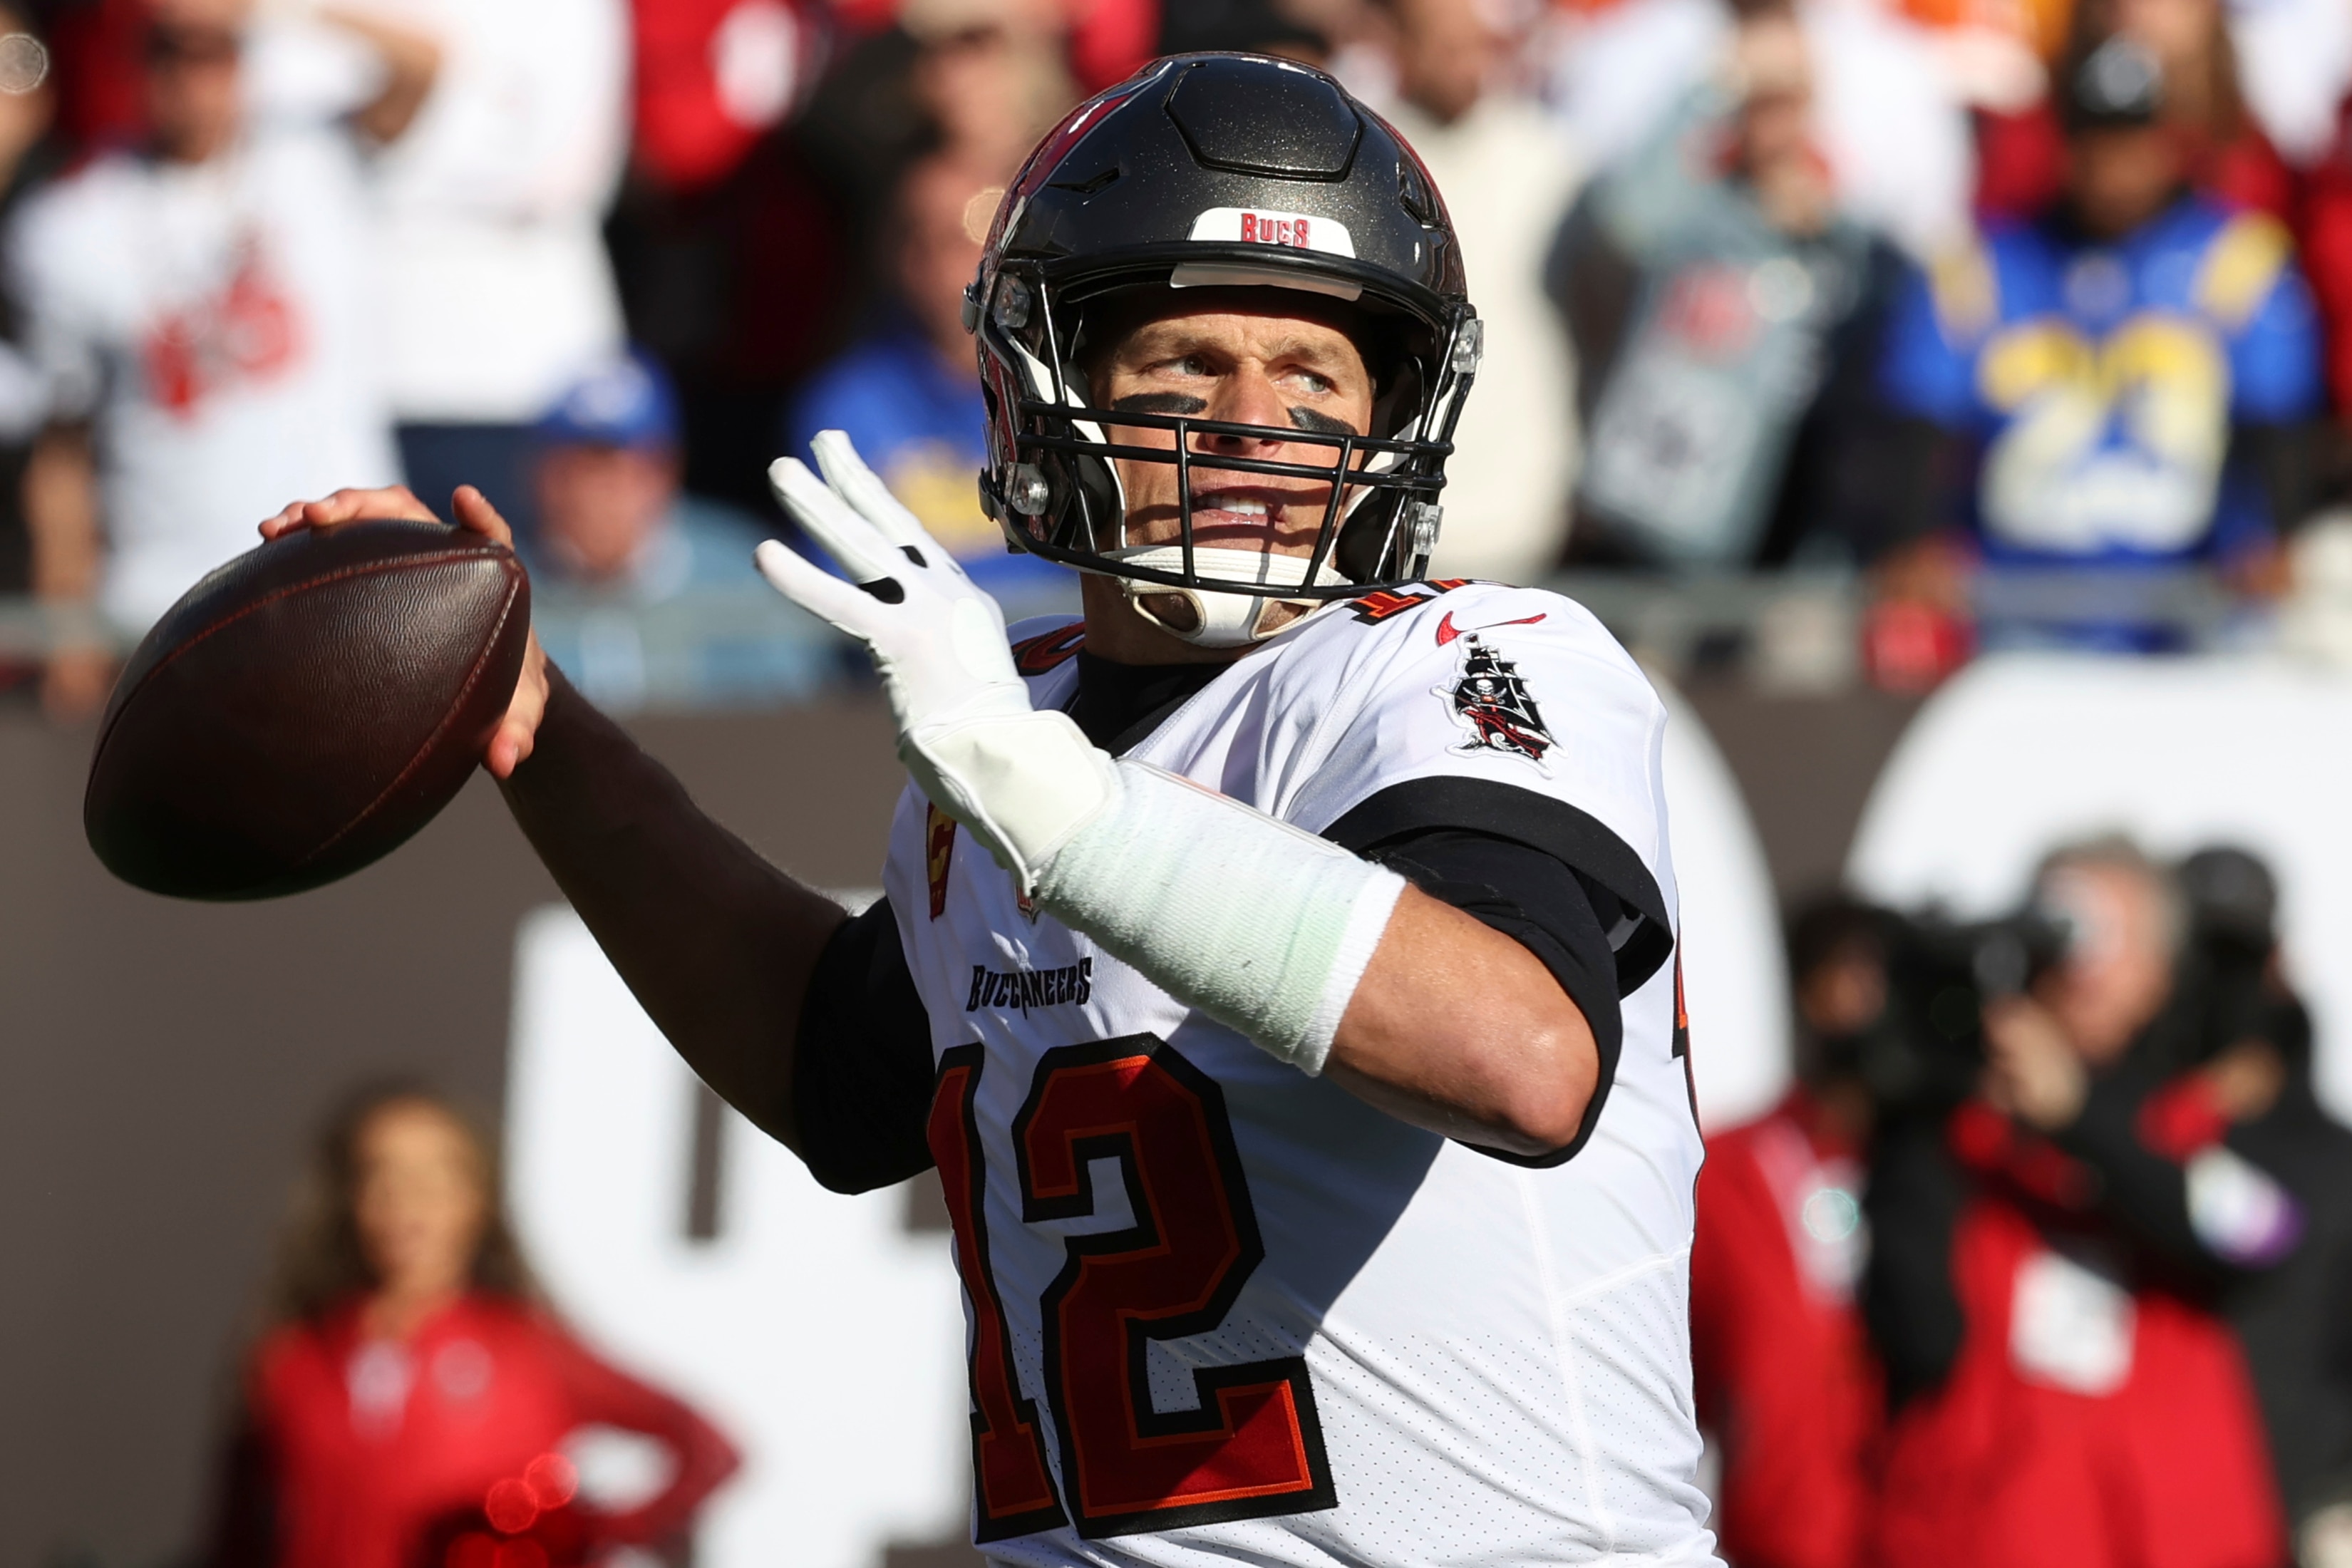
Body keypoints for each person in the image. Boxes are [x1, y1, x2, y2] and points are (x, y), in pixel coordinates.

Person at [263, 52, 1723, 1567]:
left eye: (1312, 374)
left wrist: (1041, 790)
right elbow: (834, 1071)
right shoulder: (1010, 738)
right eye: (1185, 364)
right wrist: (538, 721)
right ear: (1053, 385)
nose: (1251, 422)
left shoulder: (1462, 663)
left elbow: (1524, 1052)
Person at [1865, 839, 2288, 1568]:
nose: (2073, 967)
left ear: (2158, 972)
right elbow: (1914, 1329)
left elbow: (2262, 1236)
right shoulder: (1963, 1142)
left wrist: (2078, 1116)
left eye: (2098, 936)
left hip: (2175, 1538)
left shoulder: (2193, 1123)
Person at [11, 0, 435, 716]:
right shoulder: (70, 225)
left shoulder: (315, 160)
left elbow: (425, 68)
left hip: (342, 583)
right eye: (170, 49)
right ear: (135, 61)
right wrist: (68, 633)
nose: (193, 77)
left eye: (218, 51)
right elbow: (62, 457)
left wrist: (279, 9)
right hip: (166, 606)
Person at [1876, 35, 2323, 650]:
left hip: (2188, 611)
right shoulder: (1983, 266)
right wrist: (1914, 539)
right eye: (2096, 144)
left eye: (2133, 143)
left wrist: (2274, 538)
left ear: (2170, 143)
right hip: (2017, 610)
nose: (2115, 170)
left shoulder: (2237, 261)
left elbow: (2278, 418)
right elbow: (1918, 413)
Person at [197, 1083, 740, 1568]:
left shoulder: (526, 1350)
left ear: (476, 1197)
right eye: (379, 1173)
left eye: (437, 1174)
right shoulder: (292, 1361)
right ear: (348, 1198)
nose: (407, 1198)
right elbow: (237, 1539)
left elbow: (706, 1446)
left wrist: (592, 1531)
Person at [1553, 5, 1909, 572]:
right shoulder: (1695, 212)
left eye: (1788, 98)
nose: (1773, 120)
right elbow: (1625, 219)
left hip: (1757, 546)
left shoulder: (1841, 242)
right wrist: (1712, 84)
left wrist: (1824, 229)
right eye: (1757, 98)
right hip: (1634, 521)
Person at [373, 0, 630, 545]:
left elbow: (562, 172)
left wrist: (388, 176)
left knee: (525, 608)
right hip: (374, 372)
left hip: (532, 380)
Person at [1688, 897, 1886, 1568]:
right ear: (1806, 988)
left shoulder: (1966, 1167)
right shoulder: (1728, 1171)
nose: (1871, 999)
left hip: (1936, 1535)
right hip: (1781, 1541)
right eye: (1851, 973)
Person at [1361, 0, 1582, 583]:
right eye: (1447, 45)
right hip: (1397, 499)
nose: (1467, 65)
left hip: (1521, 506)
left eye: (1478, 45)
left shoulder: (1544, 158)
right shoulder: (1371, 158)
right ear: (1400, 45)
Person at [783, 148, 1064, 602]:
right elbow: (844, 580)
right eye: (922, 238)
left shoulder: (1066, 388)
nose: (946, 264)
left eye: (971, 234)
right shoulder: (845, 405)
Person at [527, 350, 832, 711]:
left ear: (666, 474)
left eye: (630, 470)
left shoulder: (744, 571)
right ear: (540, 477)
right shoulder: (503, 590)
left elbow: (797, 717)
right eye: (581, 470)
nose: (603, 495)